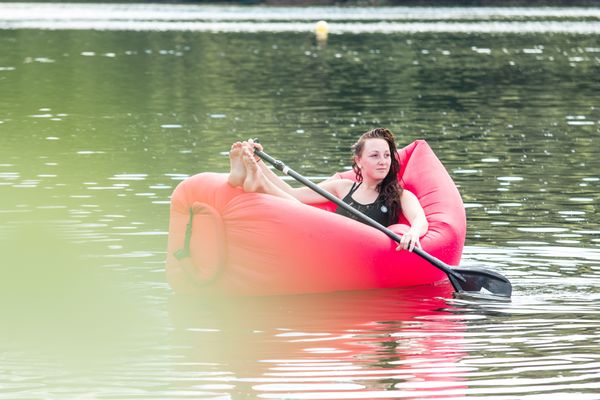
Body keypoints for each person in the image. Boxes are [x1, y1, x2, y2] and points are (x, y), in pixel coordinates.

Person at [227, 128, 428, 252]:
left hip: (365, 252)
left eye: (386, 155)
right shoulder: (342, 187)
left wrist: (413, 233)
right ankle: (253, 173)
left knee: (301, 210)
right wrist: (260, 162)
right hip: (331, 245)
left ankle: (257, 181)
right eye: (375, 155)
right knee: (299, 207)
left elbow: (420, 219)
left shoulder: (398, 195)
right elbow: (294, 194)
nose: (383, 161)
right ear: (359, 161)